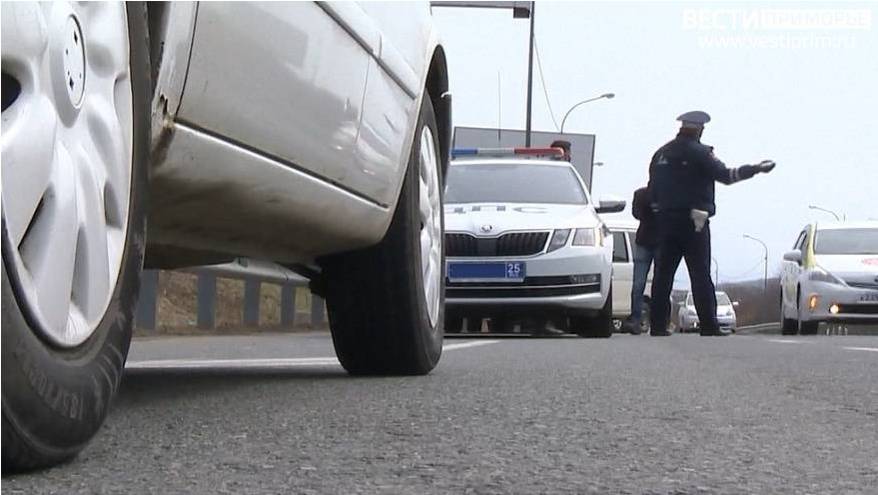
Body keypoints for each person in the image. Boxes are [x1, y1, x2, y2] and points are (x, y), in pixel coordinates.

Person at [648, 111, 775, 337]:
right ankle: (708, 325)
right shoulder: (701, 153)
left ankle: (657, 326)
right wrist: (755, 169)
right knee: (700, 273)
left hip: (665, 221)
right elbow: (726, 176)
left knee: (663, 275)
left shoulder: (660, 154)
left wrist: (660, 213)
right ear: (699, 129)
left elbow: (652, 190)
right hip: (694, 221)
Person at [623, 185, 658, 335]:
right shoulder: (641, 194)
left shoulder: (668, 192)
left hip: (661, 241)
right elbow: (637, 213)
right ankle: (635, 319)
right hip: (644, 241)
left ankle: (660, 320)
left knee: (660, 283)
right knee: (638, 284)